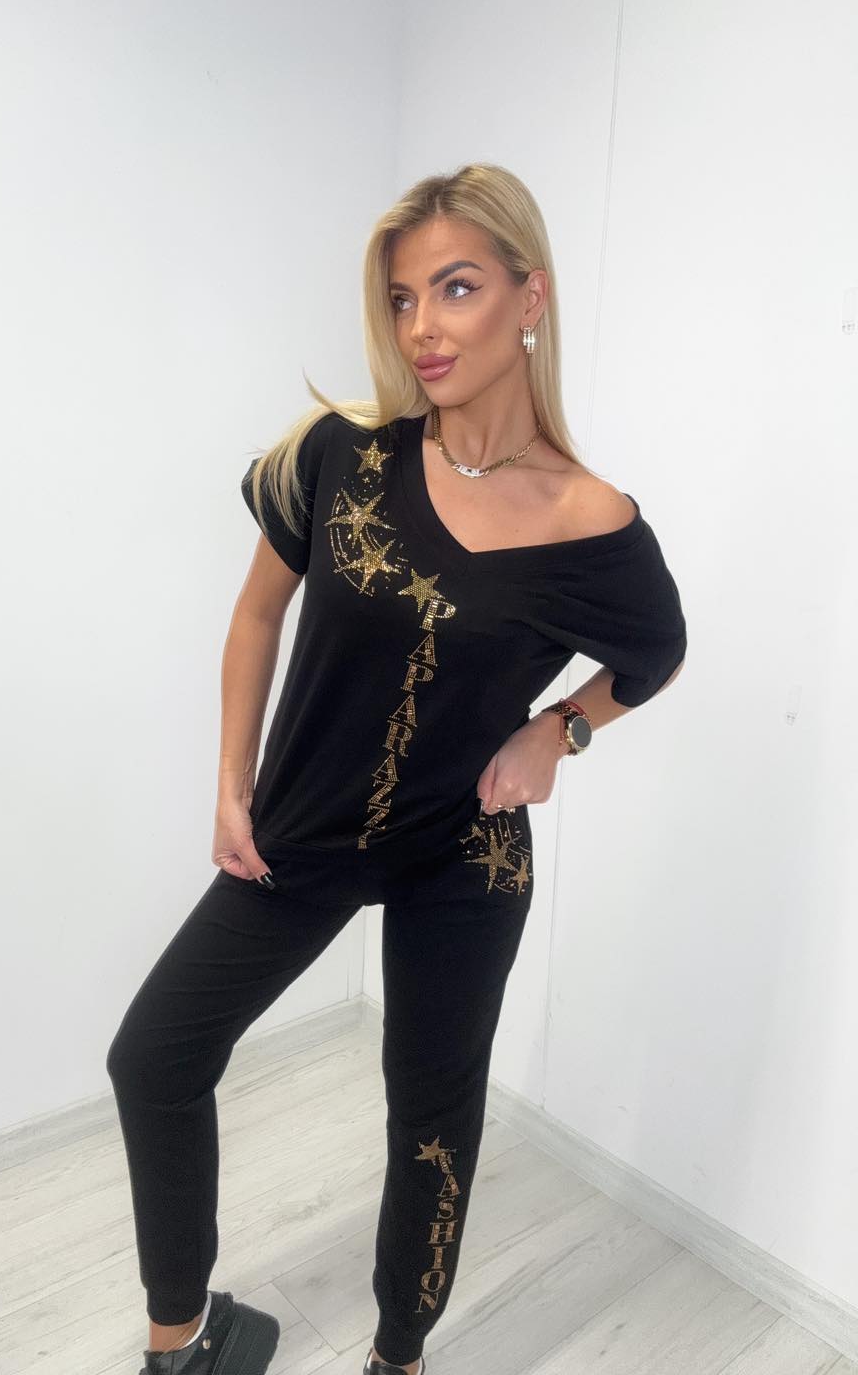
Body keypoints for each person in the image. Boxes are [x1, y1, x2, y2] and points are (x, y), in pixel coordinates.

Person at [106, 162, 688, 1375]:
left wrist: (560, 730)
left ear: (530, 299)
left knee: (430, 1120)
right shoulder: (342, 454)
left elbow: (657, 652)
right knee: (155, 1056)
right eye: (404, 297)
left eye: (457, 288)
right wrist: (230, 780)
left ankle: (399, 1357)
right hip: (306, 827)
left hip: (462, 856)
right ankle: (187, 1344)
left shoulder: (589, 518)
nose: (423, 325)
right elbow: (256, 615)